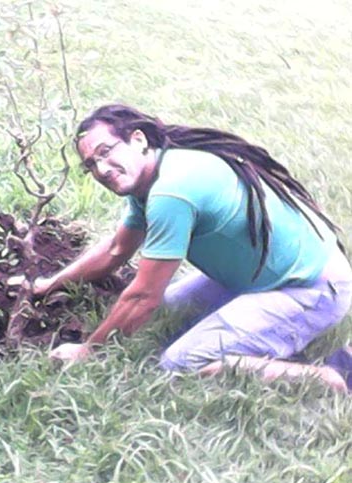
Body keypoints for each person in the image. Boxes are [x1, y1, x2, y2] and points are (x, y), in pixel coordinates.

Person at [35, 103, 352, 391]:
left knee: (181, 363)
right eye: (91, 164)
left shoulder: (172, 192)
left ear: (139, 140)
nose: (101, 169)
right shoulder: (151, 178)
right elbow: (116, 250)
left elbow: (144, 296)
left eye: (106, 151)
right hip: (259, 275)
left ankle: (328, 378)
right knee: (166, 313)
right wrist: (50, 284)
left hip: (312, 289)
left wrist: (89, 350)